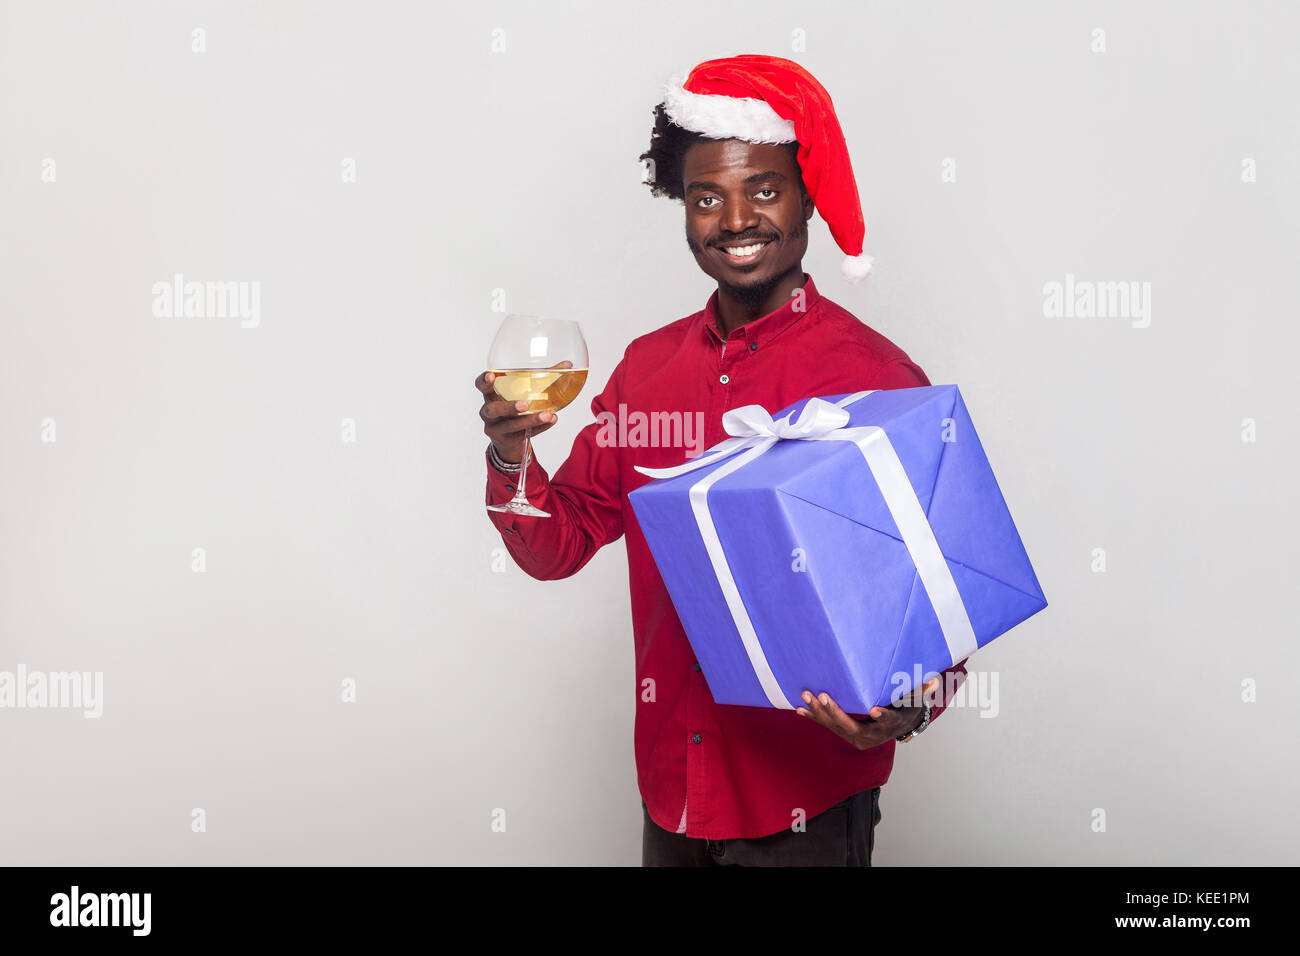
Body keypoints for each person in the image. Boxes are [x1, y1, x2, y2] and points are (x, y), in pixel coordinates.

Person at [475, 54, 968, 866]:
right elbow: (557, 546)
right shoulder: (648, 368)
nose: (736, 219)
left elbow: (943, 591)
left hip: (805, 804)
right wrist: (510, 457)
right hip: (670, 791)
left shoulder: (878, 380)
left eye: (764, 190)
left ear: (806, 194)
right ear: (685, 211)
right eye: (707, 199)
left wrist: (910, 708)